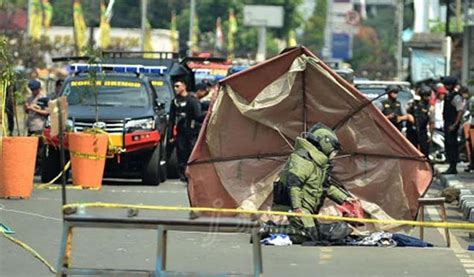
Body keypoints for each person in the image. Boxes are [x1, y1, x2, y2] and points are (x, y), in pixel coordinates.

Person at [271, 123, 361, 242]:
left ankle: (276, 230)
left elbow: (325, 187)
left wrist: (345, 199)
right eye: (333, 149)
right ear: (325, 143)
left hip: (308, 209)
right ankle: (268, 229)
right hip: (300, 208)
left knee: (314, 235)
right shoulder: (302, 159)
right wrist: (297, 208)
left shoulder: (318, 164)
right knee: (305, 236)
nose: (333, 154)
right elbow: (294, 186)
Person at [169, 81, 202, 182]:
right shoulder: (175, 101)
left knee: (191, 152)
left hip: (191, 132)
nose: (175, 88)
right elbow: (171, 119)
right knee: (181, 153)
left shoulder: (192, 100)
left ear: (184, 86)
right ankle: (183, 174)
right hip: (181, 133)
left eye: (177, 86)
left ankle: (192, 172)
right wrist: (170, 135)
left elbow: (198, 116)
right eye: (174, 86)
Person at [442, 77, 464, 174]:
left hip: (452, 124)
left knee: (452, 144)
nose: (446, 86)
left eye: (448, 84)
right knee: (448, 144)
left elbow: (460, 111)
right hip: (447, 123)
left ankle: (453, 166)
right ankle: (450, 165)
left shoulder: (456, 97)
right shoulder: (448, 95)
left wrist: (455, 124)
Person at [405, 87, 435, 157]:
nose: (428, 97)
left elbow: (432, 122)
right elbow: (406, 112)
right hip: (411, 131)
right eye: (426, 95)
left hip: (422, 131)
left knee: (424, 152)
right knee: (411, 151)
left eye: (429, 95)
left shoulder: (430, 107)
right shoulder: (413, 103)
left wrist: (431, 135)